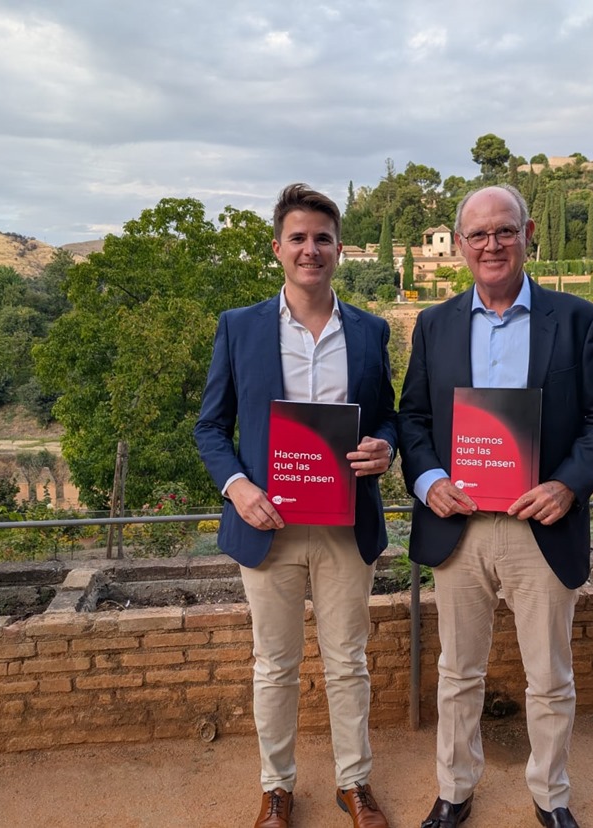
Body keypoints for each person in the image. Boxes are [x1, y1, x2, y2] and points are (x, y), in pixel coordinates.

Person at [398, 184, 593, 828]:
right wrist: (428, 479)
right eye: (477, 234)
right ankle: (454, 789)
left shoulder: (577, 319)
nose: (491, 244)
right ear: (460, 246)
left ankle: (551, 795)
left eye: (505, 230)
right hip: (459, 525)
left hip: (541, 526)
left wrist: (568, 484)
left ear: (529, 236)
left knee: (550, 677)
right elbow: (413, 418)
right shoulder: (434, 324)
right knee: (457, 672)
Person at [195, 183, 395, 828]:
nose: (311, 249)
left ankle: (353, 783)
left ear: (339, 249)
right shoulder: (239, 327)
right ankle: (276, 788)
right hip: (269, 525)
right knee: (274, 666)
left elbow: (388, 417)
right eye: (299, 238)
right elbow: (210, 427)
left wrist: (385, 448)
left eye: (323, 239)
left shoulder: (370, 331)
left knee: (348, 664)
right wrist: (238, 486)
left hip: (345, 525)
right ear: (278, 248)